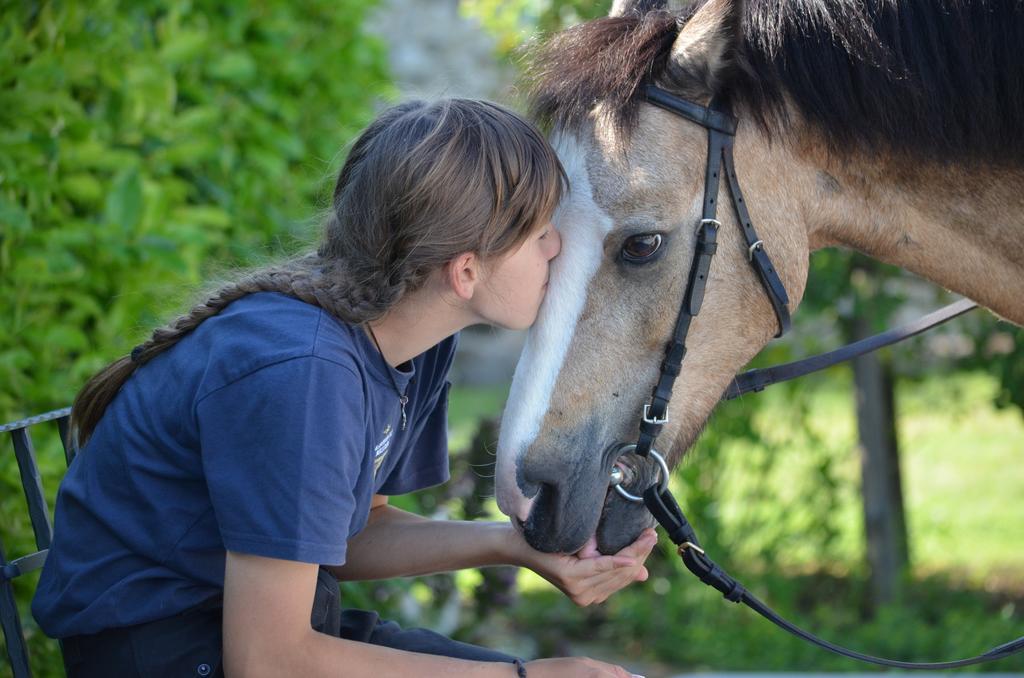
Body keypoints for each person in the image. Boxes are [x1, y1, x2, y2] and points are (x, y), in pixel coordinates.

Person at [32, 98, 657, 678]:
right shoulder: (303, 372)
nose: (560, 248)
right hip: (168, 650)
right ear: (465, 270)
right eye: (541, 228)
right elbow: (267, 660)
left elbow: (349, 534)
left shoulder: (415, 344)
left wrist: (515, 546)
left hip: (260, 628)